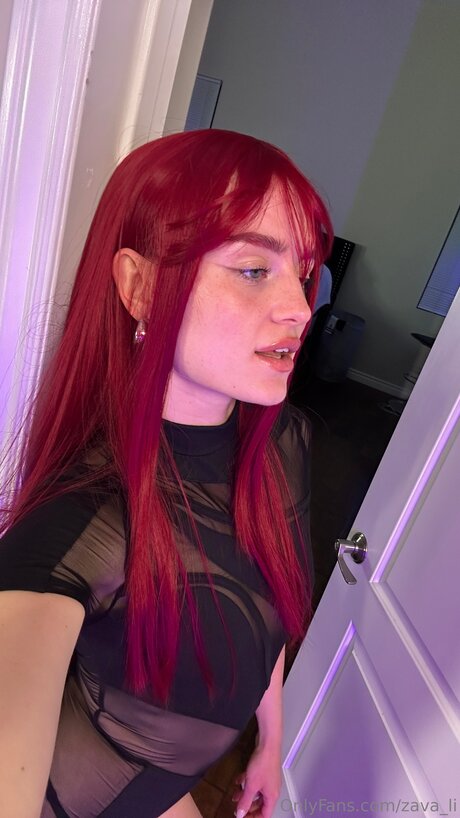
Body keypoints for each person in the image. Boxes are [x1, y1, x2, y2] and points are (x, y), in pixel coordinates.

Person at [0, 129, 333, 818]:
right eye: (253, 269)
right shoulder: (78, 528)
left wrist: (271, 740)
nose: (301, 308)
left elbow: (264, 596)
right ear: (141, 286)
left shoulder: (282, 445)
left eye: (303, 272)